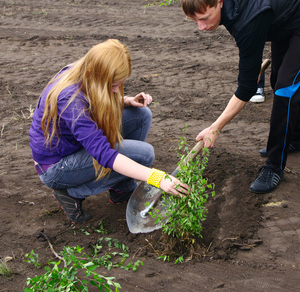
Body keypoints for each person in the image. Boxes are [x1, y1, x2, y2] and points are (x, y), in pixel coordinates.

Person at [180, 0, 300, 194]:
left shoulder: (248, 18)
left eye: (205, 18)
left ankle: (274, 166)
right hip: (279, 15)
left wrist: (215, 127)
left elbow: (247, 87)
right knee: (277, 80)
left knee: (285, 88)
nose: (201, 27)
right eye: (195, 20)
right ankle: (297, 139)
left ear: (219, 1)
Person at [29, 39, 189, 223]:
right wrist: (157, 177)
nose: (116, 91)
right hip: (57, 167)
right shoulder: (71, 100)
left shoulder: (83, 70)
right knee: (144, 156)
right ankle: (72, 193)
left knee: (141, 115)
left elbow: (94, 100)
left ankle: (121, 188)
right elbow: (104, 154)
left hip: (74, 145)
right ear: (95, 74)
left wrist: (125, 100)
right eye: (113, 85)